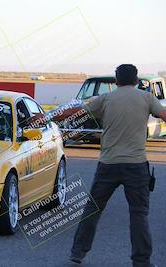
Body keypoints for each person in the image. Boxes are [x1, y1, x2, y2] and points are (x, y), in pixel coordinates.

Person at [69, 64, 166, 267]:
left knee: (93, 210)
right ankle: (142, 262)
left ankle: (78, 253)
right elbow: (163, 114)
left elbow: (80, 113)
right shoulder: (147, 98)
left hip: (108, 165)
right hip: (136, 166)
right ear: (136, 80)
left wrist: (46, 118)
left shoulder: (105, 98)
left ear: (116, 80)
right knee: (139, 214)